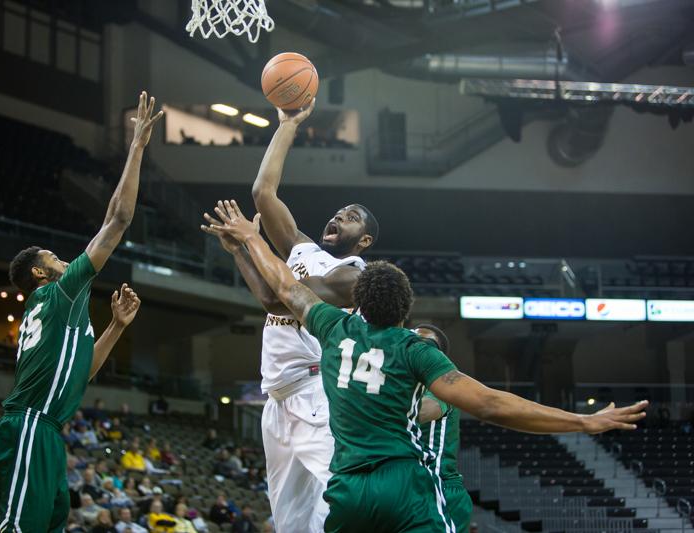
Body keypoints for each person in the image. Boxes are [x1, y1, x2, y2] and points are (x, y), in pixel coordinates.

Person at [209, 200, 649, 532]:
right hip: (402, 484)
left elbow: (285, 289)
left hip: (347, 491)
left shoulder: (333, 329)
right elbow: (492, 405)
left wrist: (248, 240)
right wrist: (582, 421)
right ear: (405, 311)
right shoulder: (414, 349)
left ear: (359, 304)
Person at [0, 90, 159, 533]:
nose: (67, 261)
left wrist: (116, 327)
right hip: (27, 430)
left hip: (44, 433)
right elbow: (117, 220)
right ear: (42, 272)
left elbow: (83, 372)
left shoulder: (57, 312)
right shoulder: (58, 294)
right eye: (57, 258)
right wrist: (135, 148)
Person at [200, 99, 378, 533]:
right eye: (339, 211)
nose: (339, 216)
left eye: (351, 218)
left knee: (348, 500)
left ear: (365, 240)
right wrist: (288, 125)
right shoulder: (302, 249)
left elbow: (278, 298)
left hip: (318, 393)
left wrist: (249, 245)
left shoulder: (353, 276)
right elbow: (263, 193)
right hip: (276, 401)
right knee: (290, 522)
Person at [412, 323, 472, 533]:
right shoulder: (407, 384)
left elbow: (424, 411)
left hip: (438, 487)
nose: (416, 345)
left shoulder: (441, 381)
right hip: (409, 485)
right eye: (413, 338)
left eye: (425, 342)